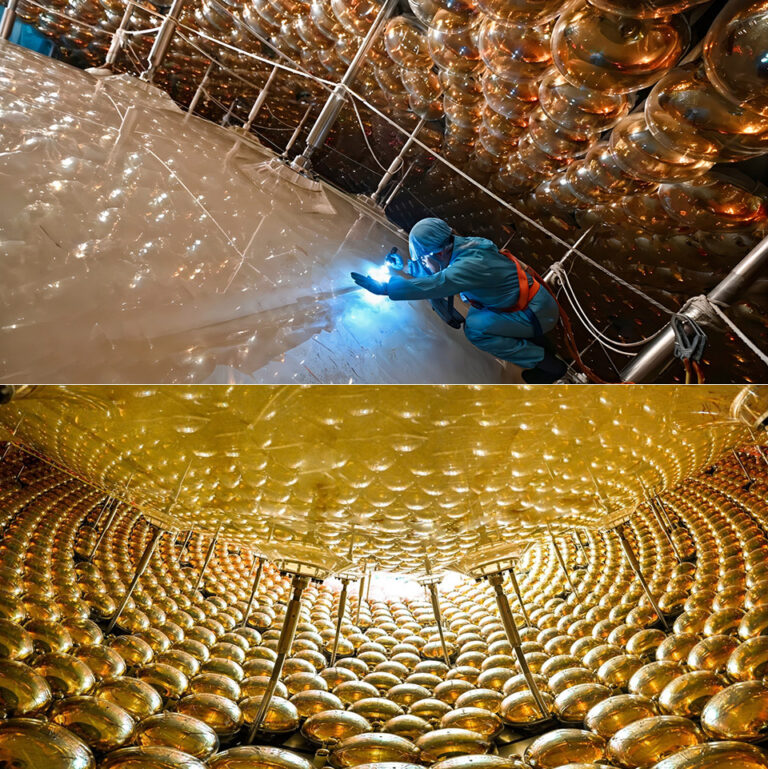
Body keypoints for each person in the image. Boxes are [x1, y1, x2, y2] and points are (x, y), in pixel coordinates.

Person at [351, 217, 567, 383]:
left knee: (476, 329)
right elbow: (437, 271)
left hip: (534, 312)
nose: (423, 262)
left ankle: (547, 364)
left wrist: (386, 288)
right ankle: (538, 343)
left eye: (423, 258)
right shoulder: (461, 246)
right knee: (478, 316)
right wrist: (406, 266)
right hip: (525, 303)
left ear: (438, 253)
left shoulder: (468, 265)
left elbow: (438, 283)